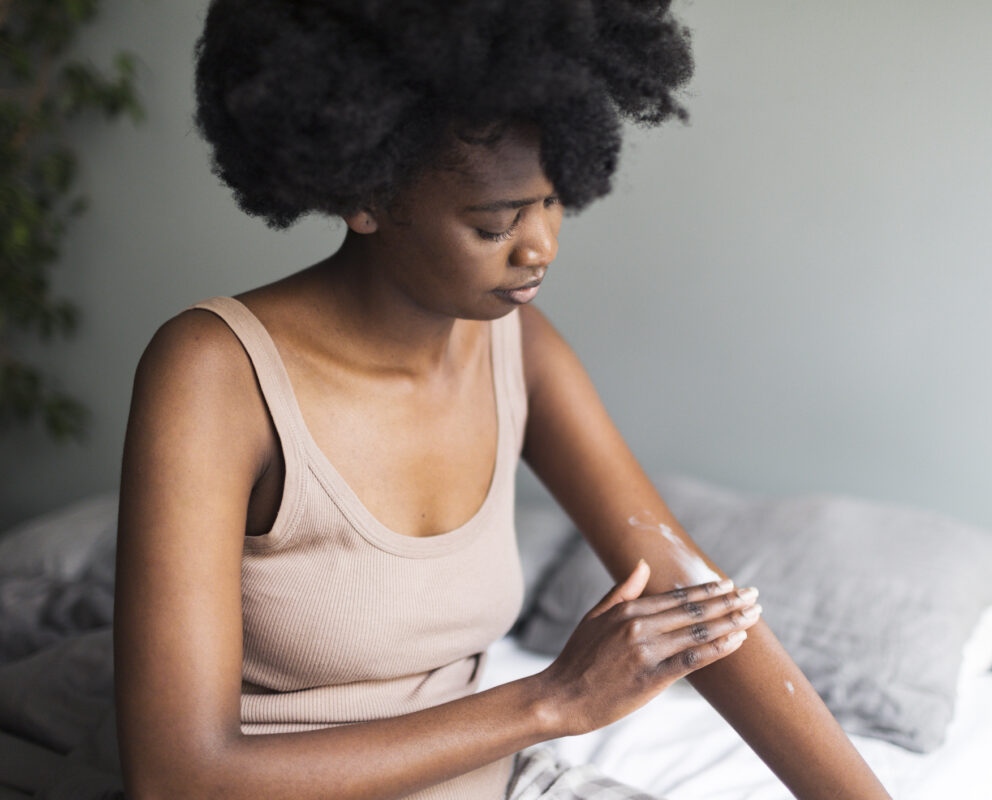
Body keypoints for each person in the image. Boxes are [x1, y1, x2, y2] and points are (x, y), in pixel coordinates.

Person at [113, 1, 892, 798]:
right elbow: (181, 779)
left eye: (554, 201)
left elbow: (685, 591)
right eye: (495, 224)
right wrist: (553, 701)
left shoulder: (518, 345)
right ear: (365, 196)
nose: (541, 248)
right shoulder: (214, 372)